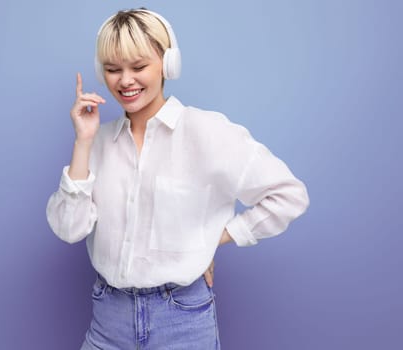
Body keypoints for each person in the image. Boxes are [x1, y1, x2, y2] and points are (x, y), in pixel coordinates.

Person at [46, 8, 309, 349]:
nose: (125, 80)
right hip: (108, 319)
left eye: (139, 67)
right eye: (113, 70)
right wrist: (82, 142)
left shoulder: (208, 132)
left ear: (168, 64)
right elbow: (69, 229)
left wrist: (215, 238)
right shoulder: (96, 142)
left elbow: (289, 195)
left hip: (182, 320)